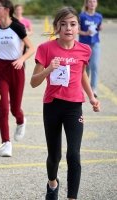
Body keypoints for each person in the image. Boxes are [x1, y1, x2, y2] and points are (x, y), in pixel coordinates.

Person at [30, 6, 100, 200]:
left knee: (74, 155)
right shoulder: (46, 48)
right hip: (52, 105)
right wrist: (48, 70)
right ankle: (52, 184)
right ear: (56, 27)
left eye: (72, 24)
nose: (68, 28)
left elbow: (83, 74)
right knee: (54, 156)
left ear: (78, 27)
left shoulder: (84, 50)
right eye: (63, 24)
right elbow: (34, 82)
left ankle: (72, 197)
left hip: (74, 106)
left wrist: (92, 96)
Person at [0, 0, 35, 157]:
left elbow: (31, 48)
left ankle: (21, 121)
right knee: (3, 108)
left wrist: (21, 59)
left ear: (6, 10)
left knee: (15, 109)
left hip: (16, 69)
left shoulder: (17, 28)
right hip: (1, 70)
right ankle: (6, 143)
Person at [79, 0, 102, 98]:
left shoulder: (99, 16)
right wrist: (85, 33)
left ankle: (93, 88)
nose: (92, 4)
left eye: (94, 2)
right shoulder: (82, 16)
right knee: (85, 68)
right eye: (90, 2)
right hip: (84, 44)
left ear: (96, 4)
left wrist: (100, 28)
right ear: (87, 4)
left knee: (95, 66)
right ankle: (83, 87)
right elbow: (77, 30)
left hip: (95, 43)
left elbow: (99, 26)